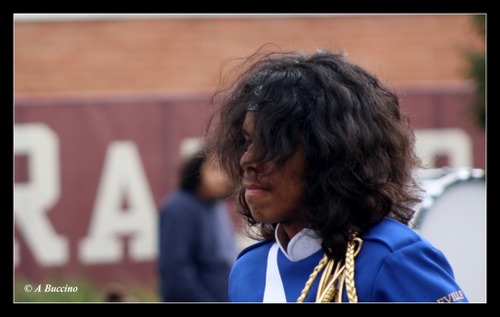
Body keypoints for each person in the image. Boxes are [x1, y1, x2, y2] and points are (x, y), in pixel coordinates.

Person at [205, 46, 469, 302]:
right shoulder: (250, 269)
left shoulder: (393, 258)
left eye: (275, 144)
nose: (247, 160)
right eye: (248, 141)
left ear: (330, 154)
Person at [158, 144, 237, 302]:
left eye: (227, 169)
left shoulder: (216, 205)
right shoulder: (179, 207)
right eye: (215, 168)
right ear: (196, 169)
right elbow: (176, 270)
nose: (222, 176)